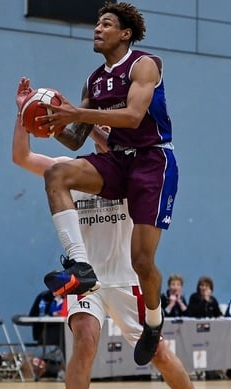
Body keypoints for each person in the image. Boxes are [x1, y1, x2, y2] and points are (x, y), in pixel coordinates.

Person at [13, 78, 231, 389]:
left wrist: (109, 132)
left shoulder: (137, 172)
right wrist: (23, 112)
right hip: (87, 279)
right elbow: (22, 158)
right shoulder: (73, 168)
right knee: (85, 341)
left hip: (125, 276)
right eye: (103, 127)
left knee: (159, 353)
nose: (105, 132)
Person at [35, 2, 179, 366]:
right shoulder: (93, 80)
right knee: (58, 174)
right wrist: (39, 123)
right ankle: (80, 265)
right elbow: (73, 138)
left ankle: (153, 321)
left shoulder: (145, 64)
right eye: (96, 24)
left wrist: (76, 112)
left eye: (106, 24)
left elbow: (132, 117)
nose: (97, 29)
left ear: (125, 33)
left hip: (152, 160)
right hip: (118, 160)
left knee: (142, 261)